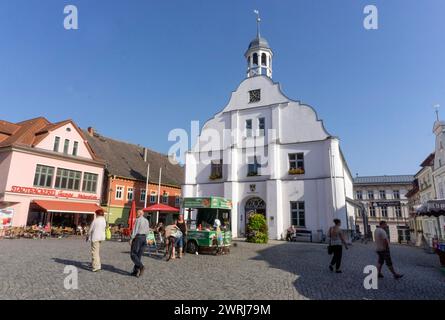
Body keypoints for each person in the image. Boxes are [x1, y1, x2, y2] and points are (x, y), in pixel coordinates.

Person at [130, 210, 150, 277]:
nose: (136, 214)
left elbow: (135, 230)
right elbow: (148, 231)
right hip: (144, 238)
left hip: (138, 237)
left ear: (140, 213)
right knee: (138, 255)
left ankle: (141, 267)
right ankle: (135, 271)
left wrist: (131, 238)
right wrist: (146, 238)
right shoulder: (146, 220)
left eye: (137, 213)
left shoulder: (138, 220)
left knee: (133, 254)